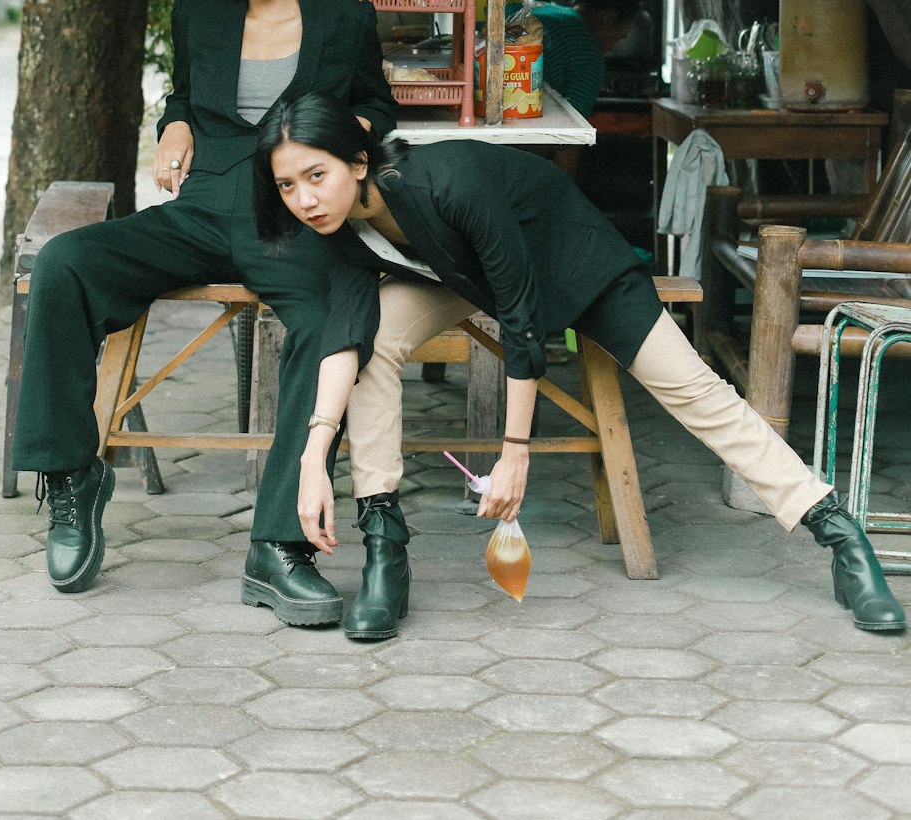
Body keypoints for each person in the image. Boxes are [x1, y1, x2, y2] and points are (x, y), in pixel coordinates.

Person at [252, 94, 906, 642]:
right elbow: (342, 334)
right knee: (373, 345)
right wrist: (314, 460)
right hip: (465, 276)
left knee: (695, 390)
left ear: (358, 160)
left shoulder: (446, 183)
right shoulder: (334, 227)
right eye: (287, 184)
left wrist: (514, 454)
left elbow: (519, 315)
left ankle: (838, 533)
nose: (305, 199)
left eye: (317, 175)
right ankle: (384, 551)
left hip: (572, 261)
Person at [12, 0, 396, 621]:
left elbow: (374, 103)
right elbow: (188, 95)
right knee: (65, 264)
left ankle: (278, 547)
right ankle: (71, 477)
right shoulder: (201, 15)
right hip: (202, 207)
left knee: (330, 320)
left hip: (287, 217)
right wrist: (175, 122)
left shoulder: (345, 18)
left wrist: (344, 144)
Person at [533, 0, 639, 175]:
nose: (612, 48)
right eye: (619, 37)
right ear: (608, 19)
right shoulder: (588, 52)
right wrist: (564, 201)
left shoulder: (544, 9)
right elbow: (570, 136)